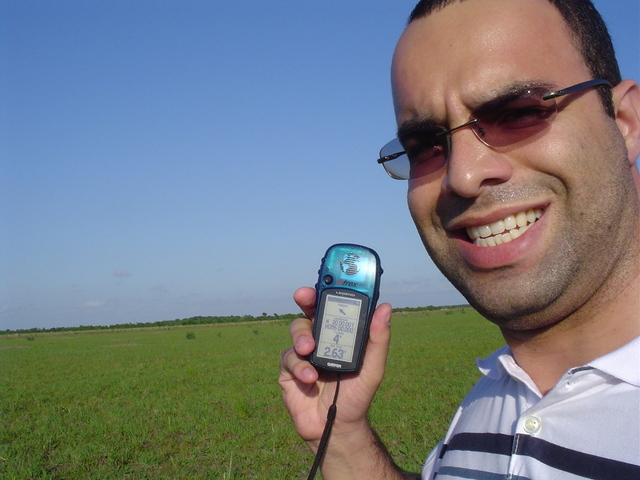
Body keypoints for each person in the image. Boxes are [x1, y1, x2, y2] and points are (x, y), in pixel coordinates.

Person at [279, 0, 640, 478]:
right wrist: (344, 435)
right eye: (427, 145)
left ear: (624, 123)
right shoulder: (492, 397)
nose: (463, 176)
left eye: (516, 112)